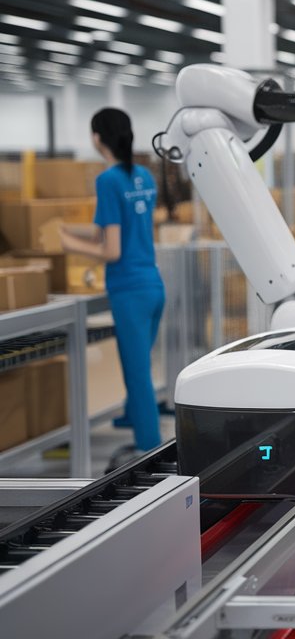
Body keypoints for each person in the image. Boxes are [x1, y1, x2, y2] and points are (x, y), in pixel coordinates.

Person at [60, 108, 165, 465]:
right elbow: (114, 229)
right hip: (153, 285)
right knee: (140, 364)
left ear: (96, 138)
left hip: (129, 290)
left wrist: (68, 245)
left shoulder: (107, 181)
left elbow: (111, 248)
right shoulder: (144, 176)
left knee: (137, 374)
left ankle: (147, 450)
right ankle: (130, 415)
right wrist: (68, 229)